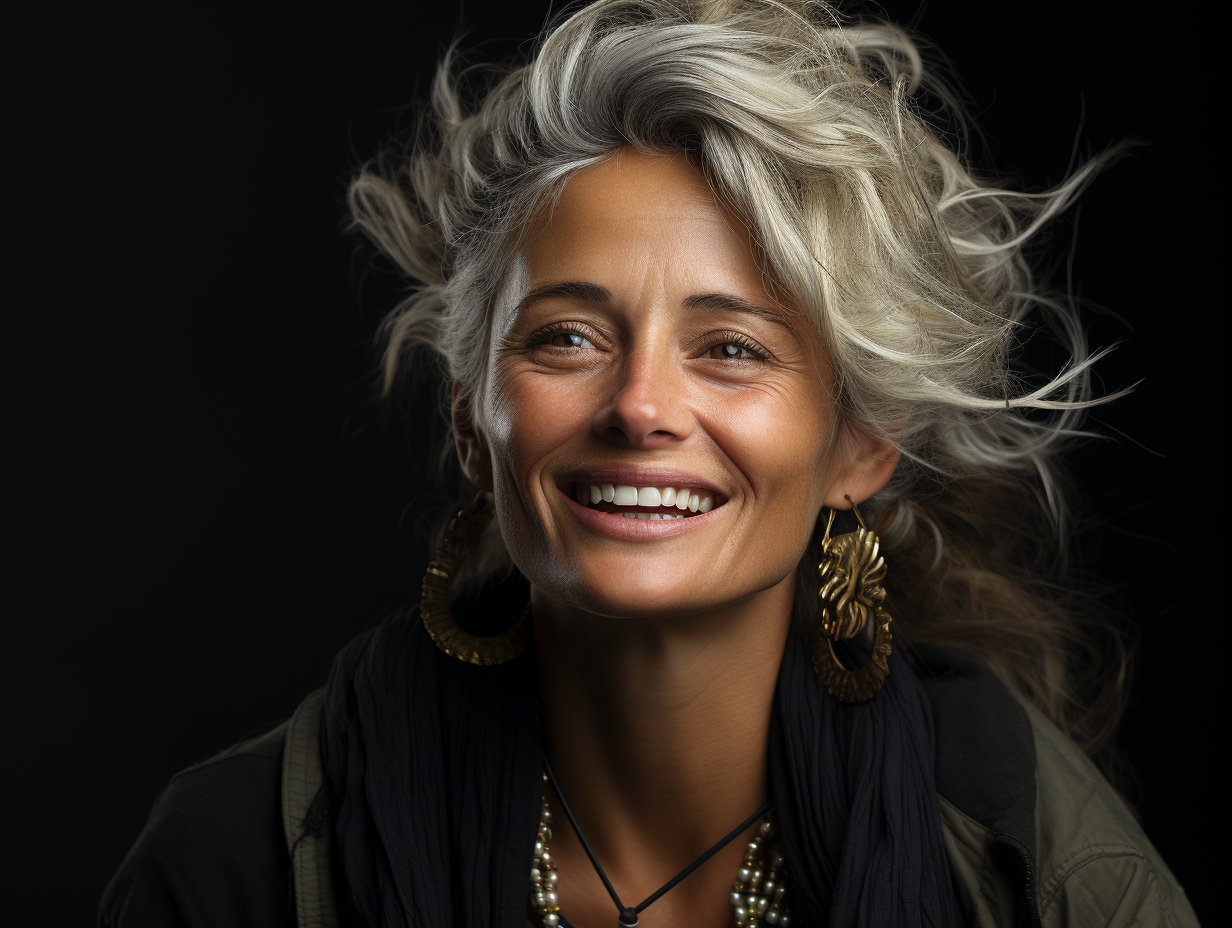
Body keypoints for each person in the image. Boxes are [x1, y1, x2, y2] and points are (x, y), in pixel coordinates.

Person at [99, 1, 1200, 926]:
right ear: (468, 420)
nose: (637, 405)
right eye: (566, 336)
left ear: (861, 447)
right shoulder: (239, 860)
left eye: (731, 349)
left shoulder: (1044, 873)